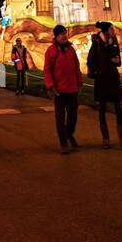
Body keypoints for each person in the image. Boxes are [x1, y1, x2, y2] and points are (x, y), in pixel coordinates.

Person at [87, 21, 122, 150]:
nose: (114, 30)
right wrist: (96, 70)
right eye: (112, 29)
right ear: (106, 30)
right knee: (102, 109)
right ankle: (105, 139)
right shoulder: (96, 43)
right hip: (101, 79)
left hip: (113, 78)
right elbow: (91, 59)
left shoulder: (114, 41)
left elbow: (118, 61)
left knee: (118, 107)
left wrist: (116, 61)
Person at [43, 25, 82, 154]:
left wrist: (79, 82)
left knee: (73, 116)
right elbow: (47, 70)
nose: (64, 36)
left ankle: (69, 134)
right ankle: (63, 142)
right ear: (56, 36)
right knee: (60, 117)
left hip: (72, 89)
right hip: (58, 90)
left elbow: (76, 67)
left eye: (65, 33)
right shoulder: (51, 51)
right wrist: (50, 86)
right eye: (61, 34)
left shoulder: (71, 50)